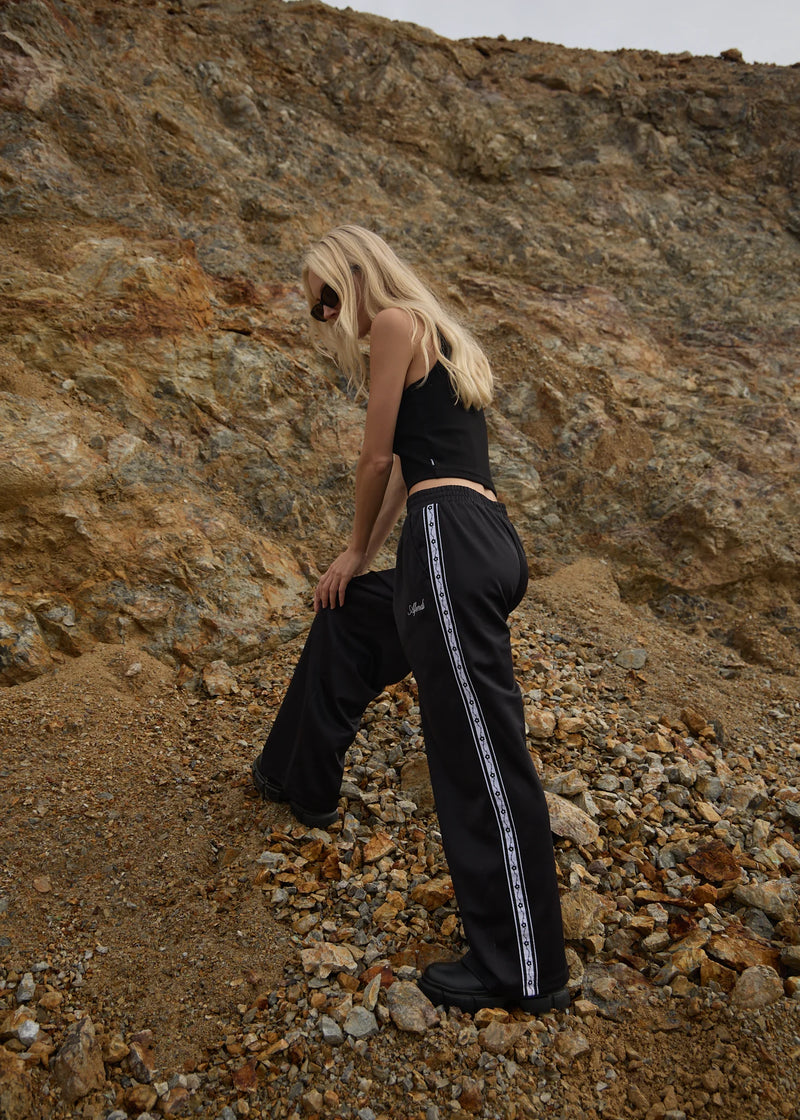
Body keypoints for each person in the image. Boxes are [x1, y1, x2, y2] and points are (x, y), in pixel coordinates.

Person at [251, 225, 569, 1013]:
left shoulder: (394, 322)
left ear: (355, 278)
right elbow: (412, 461)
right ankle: (298, 778)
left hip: (450, 543)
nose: (326, 317)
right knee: (351, 614)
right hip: (478, 537)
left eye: (327, 299)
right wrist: (360, 562)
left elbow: (376, 459)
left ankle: (522, 971)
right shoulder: (438, 333)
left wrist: (356, 542)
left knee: (480, 757)